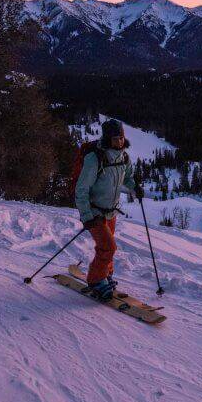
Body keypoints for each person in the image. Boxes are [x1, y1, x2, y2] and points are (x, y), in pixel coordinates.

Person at [75, 119, 143, 300]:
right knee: (109, 247)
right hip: (94, 211)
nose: (119, 142)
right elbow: (81, 189)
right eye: (115, 139)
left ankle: (105, 274)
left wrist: (135, 188)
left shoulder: (124, 157)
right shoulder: (95, 158)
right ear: (106, 139)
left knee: (106, 247)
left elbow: (127, 177)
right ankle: (96, 280)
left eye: (121, 138)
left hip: (111, 211)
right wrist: (86, 216)